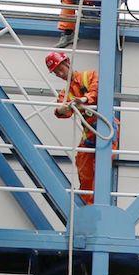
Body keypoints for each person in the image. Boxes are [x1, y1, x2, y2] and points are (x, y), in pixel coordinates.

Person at [46, 49, 113, 205]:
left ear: (67, 62)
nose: (59, 74)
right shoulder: (65, 93)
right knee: (83, 166)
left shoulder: (89, 76)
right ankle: (88, 207)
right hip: (89, 132)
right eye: (56, 72)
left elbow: (97, 90)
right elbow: (60, 111)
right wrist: (61, 109)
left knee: (102, 170)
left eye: (60, 69)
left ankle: (99, 204)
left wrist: (83, 99)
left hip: (105, 127)